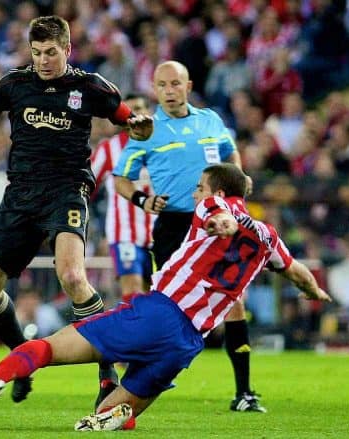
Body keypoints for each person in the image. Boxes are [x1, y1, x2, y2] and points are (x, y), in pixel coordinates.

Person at [0, 163, 332, 431]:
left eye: (198, 187)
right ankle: (116, 415)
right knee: (110, 414)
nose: (195, 195)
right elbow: (296, 272)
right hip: (187, 345)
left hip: (159, 314)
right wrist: (315, 290)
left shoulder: (216, 204)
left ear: (220, 191)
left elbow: (221, 216)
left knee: (46, 348)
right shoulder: (269, 237)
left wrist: (224, 223)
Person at [0, 15, 152, 407]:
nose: (43, 60)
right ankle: (22, 356)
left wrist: (141, 127)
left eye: (51, 52)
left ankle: (107, 373)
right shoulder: (13, 84)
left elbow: (131, 121)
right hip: (20, 196)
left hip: (66, 191)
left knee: (73, 276)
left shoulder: (90, 87)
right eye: (37, 52)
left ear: (68, 50)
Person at [112, 61, 263, 412]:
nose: (169, 90)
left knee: (232, 301)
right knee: (167, 306)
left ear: (188, 85)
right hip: (174, 224)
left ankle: (244, 392)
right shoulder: (146, 130)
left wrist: (237, 177)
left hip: (216, 221)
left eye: (175, 83)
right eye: (162, 85)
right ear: (154, 89)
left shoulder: (209, 120)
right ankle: (140, 376)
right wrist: (143, 199)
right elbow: (122, 178)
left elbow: (230, 153)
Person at [90, 94, 155, 304]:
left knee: (156, 293)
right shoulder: (109, 149)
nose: (135, 115)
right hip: (124, 233)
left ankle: (150, 336)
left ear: (149, 113)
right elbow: (86, 185)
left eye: (139, 108)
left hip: (159, 234)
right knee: (133, 291)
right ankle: (135, 335)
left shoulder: (163, 146)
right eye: (130, 110)